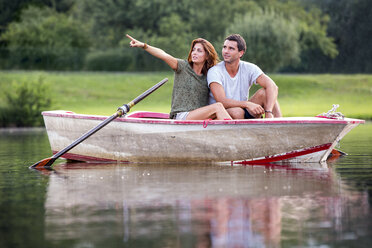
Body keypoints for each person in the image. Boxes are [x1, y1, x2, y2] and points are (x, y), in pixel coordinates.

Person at [126, 34, 232, 120]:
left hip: (199, 118)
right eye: (193, 50)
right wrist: (144, 46)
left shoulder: (209, 75)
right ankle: (235, 134)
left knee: (232, 111)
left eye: (199, 51)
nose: (194, 53)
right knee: (218, 107)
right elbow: (163, 54)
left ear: (207, 56)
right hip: (181, 117)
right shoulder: (182, 66)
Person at [207, 34, 282, 119]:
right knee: (237, 112)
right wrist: (247, 104)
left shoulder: (249, 68)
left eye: (231, 48)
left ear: (241, 53)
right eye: (224, 47)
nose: (226, 51)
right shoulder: (214, 71)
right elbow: (222, 101)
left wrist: (268, 112)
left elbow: (272, 86)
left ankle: (279, 128)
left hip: (243, 110)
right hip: (221, 114)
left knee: (269, 94)